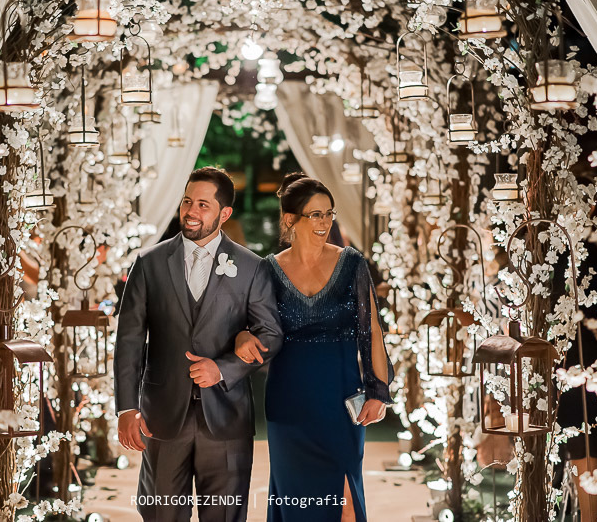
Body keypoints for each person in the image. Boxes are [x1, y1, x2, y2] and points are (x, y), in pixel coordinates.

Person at [114, 166, 284, 521]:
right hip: (162, 416)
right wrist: (126, 408)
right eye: (187, 201)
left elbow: (271, 334)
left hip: (227, 418)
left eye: (203, 205)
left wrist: (223, 369)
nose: (191, 211)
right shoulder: (149, 263)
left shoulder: (252, 268)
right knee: (160, 514)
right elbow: (129, 340)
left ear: (225, 213)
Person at [235, 174, 394, 522]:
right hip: (288, 403)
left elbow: (372, 332)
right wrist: (241, 337)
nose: (325, 223)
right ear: (290, 219)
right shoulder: (268, 270)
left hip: (340, 399)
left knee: (346, 500)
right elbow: (251, 326)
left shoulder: (352, 264)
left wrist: (378, 391)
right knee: (297, 501)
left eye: (329, 213)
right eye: (315, 215)